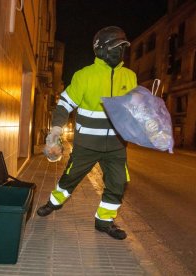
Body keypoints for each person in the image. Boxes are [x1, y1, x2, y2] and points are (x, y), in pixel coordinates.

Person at [37, 26, 137, 240]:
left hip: (117, 146)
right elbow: (64, 105)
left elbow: (133, 108)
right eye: (115, 47)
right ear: (100, 49)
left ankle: (104, 221)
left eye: (122, 48)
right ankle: (53, 203)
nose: (119, 52)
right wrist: (55, 130)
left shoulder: (130, 77)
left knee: (118, 183)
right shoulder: (84, 76)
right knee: (70, 178)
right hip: (87, 145)